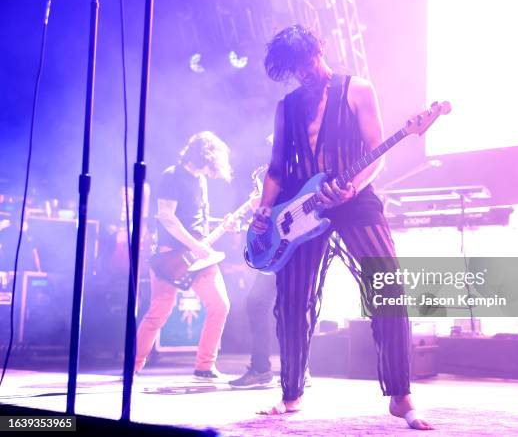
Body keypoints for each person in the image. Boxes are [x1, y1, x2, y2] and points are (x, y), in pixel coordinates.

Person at [249, 25, 433, 430]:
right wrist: (265, 209)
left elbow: (376, 152)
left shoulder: (358, 90)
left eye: (307, 64)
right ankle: (291, 393)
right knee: (292, 300)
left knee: (388, 286)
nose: (304, 75)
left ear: (320, 50)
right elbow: (278, 168)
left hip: (355, 200)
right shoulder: (287, 107)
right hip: (300, 207)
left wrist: (353, 188)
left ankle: (401, 396)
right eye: (295, 70)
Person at [135, 131, 235, 381]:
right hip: (171, 254)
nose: (216, 171)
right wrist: (194, 244)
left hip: (200, 255)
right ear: (206, 156)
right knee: (160, 310)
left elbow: (195, 219)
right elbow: (167, 217)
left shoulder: (201, 180)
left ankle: (205, 366)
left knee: (220, 305)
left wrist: (222, 224)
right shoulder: (171, 176)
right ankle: (133, 364)